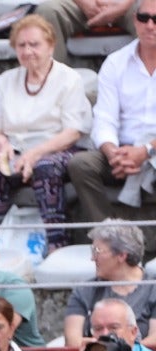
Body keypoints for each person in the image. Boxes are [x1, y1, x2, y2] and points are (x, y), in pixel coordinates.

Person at [0, 15, 92, 255]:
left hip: (57, 148)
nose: (27, 51)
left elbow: (73, 131)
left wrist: (35, 153)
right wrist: (2, 146)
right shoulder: (6, 81)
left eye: (34, 44)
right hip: (16, 149)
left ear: (51, 45)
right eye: (21, 45)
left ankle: (56, 244)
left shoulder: (69, 79)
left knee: (45, 166)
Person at [69, 0, 156, 238]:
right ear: (135, 20)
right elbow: (105, 118)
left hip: (153, 148)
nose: (150, 25)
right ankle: (111, 240)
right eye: (143, 18)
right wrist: (113, 153)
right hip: (123, 149)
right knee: (82, 164)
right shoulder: (116, 62)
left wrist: (146, 150)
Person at [63, 221, 156, 346]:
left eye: (97, 251)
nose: (92, 258)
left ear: (121, 255)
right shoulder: (85, 291)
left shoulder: (152, 289)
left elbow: (154, 341)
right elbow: (72, 341)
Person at [32, 0, 139, 64]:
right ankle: (54, 85)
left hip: (129, 3)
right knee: (48, 12)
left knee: (149, 15)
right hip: (79, 4)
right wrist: (84, 2)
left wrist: (125, 5)